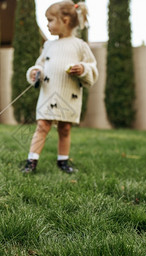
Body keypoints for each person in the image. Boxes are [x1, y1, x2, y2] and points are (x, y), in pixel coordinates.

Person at [22, 0, 99, 174]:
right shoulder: (49, 45)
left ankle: (63, 161)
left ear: (64, 20)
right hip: (48, 94)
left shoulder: (80, 46)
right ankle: (31, 161)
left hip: (68, 95)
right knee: (42, 126)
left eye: (50, 20)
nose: (47, 24)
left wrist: (83, 69)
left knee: (64, 129)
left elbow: (92, 68)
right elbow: (39, 65)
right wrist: (35, 72)